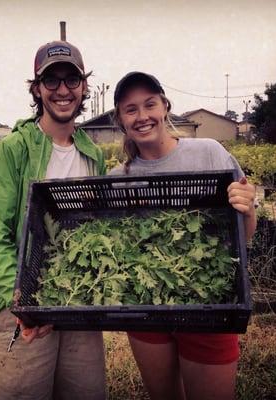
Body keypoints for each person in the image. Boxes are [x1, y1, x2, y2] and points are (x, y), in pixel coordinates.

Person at [109, 71, 257, 400]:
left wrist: (248, 210)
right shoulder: (117, 179)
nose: (142, 116)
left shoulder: (208, 153)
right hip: (147, 309)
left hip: (208, 306)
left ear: (165, 106)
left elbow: (243, 236)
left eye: (150, 104)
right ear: (120, 119)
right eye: (130, 109)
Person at [0, 40, 107, 400]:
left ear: (84, 88)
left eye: (72, 80)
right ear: (37, 88)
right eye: (51, 81)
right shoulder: (14, 150)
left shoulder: (93, 155)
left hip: (81, 301)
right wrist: (19, 303)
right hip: (25, 305)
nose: (62, 90)